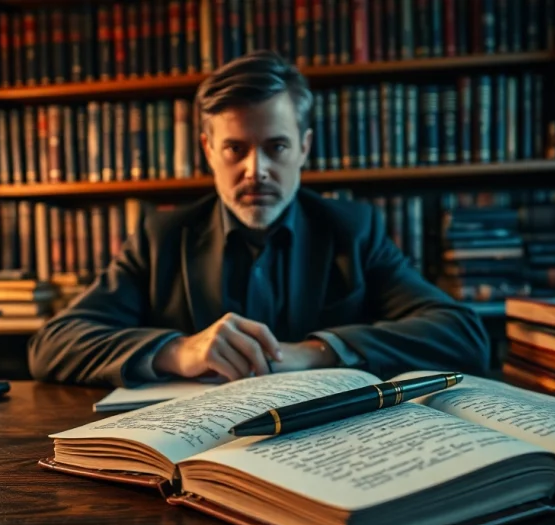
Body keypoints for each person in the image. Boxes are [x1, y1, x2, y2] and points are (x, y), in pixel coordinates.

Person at [27, 50, 490, 388]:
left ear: (304, 147)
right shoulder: (159, 237)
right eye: (235, 149)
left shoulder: (353, 230)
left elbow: (464, 334)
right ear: (208, 150)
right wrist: (178, 351)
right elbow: (53, 344)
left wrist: (316, 354)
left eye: (277, 147)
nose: (256, 170)